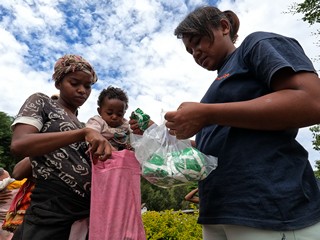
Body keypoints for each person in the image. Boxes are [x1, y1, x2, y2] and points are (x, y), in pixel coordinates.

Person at [136, 5, 320, 240]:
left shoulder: (255, 45)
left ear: (223, 27)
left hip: (267, 209)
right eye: (190, 50)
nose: (195, 53)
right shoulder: (217, 86)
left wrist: (207, 113)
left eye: (198, 41)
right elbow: (219, 143)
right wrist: (160, 134)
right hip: (218, 212)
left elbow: (313, 101)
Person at [10, 54, 112, 240]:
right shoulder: (42, 102)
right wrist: (83, 134)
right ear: (58, 83)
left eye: (88, 86)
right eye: (74, 83)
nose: (82, 90)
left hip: (82, 214)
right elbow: (19, 144)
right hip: (51, 210)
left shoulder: (81, 125)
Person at [86, 86, 133, 151]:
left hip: (120, 156)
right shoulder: (97, 122)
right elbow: (90, 133)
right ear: (100, 111)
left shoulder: (125, 125)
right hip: (101, 153)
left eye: (119, 114)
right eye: (109, 113)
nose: (114, 117)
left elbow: (134, 135)